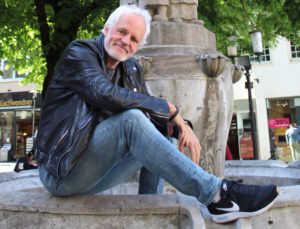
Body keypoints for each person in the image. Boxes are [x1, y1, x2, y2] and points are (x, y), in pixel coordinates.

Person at [32, 5, 279, 224]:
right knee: (132, 120)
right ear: (106, 29)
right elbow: (102, 92)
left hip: (95, 171)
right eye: (121, 32)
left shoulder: (131, 69)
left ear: (139, 45)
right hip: (62, 171)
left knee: (164, 134)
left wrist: (183, 126)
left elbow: (152, 117)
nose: (125, 40)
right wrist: (172, 110)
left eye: (134, 38)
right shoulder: (80, 52)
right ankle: (217, 195)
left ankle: (150, 211)